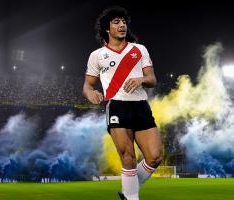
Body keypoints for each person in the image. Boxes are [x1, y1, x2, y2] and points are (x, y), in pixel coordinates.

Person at [83, 6, 163, 200]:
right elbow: (87, 85)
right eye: (116, 22)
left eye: (124, 21)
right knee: (128, 155)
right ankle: (131, 197)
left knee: (155, 156)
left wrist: (142, 80)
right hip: (117, 106)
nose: (122, 25)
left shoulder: (139, 49)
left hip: (141, 105)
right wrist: (90, 93)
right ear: (107, 29)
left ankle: (128, 192)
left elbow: (152, 79)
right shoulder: (97, 55)